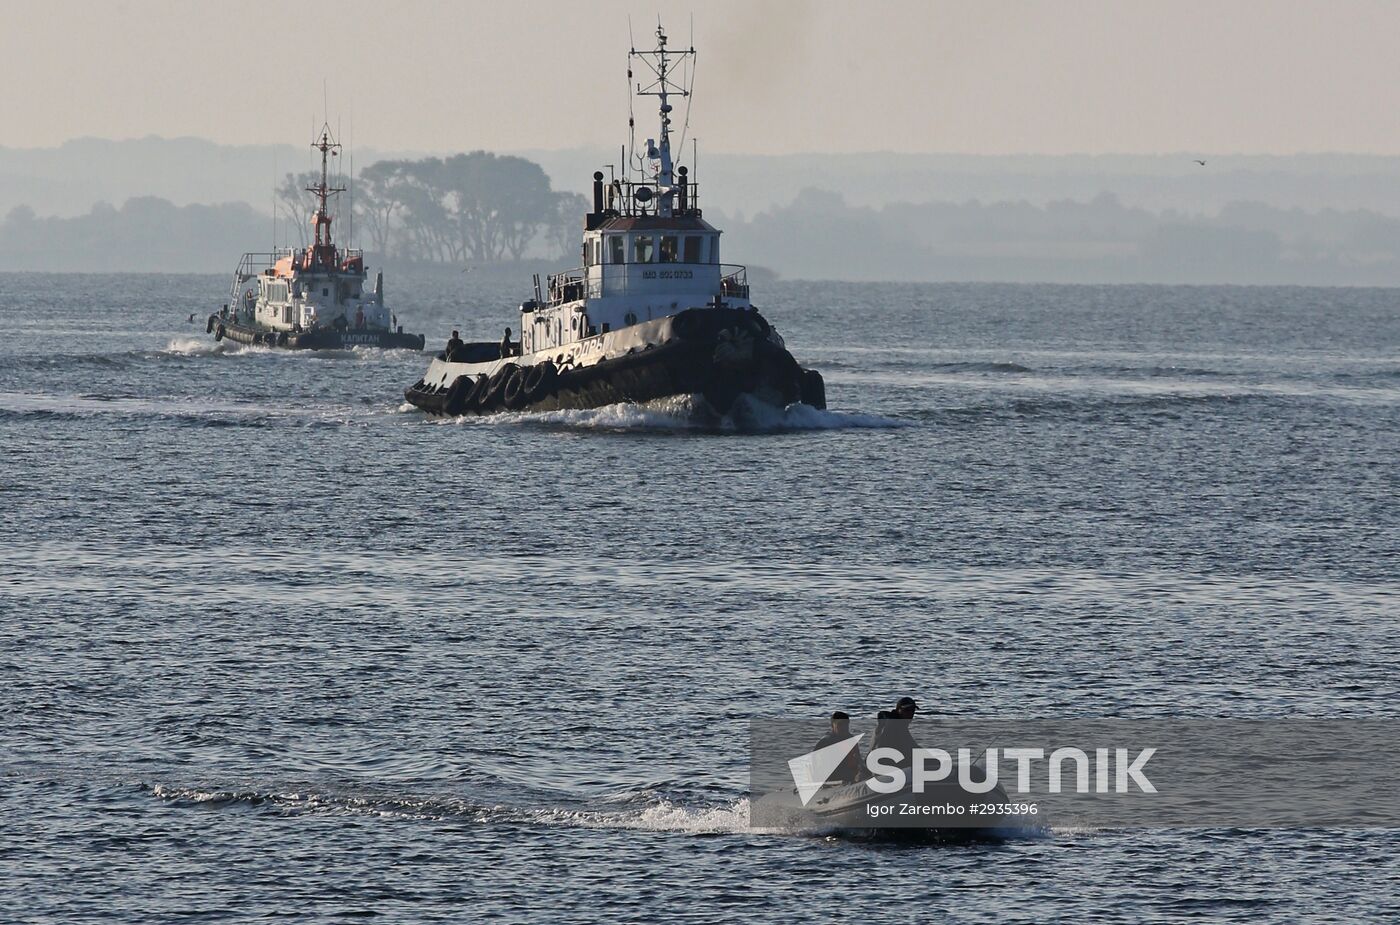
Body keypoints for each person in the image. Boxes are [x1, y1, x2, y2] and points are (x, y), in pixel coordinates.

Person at [811, 711, 864, 784]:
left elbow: (858, 758)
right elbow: (815, 763)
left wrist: (861, 771)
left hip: (850, 776)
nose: (844, 727)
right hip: (834, 779)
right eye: (840, 724)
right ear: (832, 726)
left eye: (846, 724)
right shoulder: (825, 742)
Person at [870, 696, 920, 768]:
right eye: (907, 710)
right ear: (898, 710)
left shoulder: (895, 724)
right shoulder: (892, 726)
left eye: (912, 710)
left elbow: (912, 747)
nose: (910, 713)